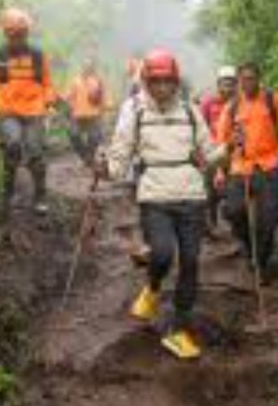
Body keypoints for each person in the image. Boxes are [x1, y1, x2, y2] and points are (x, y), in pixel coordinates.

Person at [96, 49, 226, 360]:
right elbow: (120, 156)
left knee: (192, 262)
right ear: (146, 81)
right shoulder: (136, 111)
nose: (163, 87)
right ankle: (153, 287)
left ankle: (177, 328)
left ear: (176, 81)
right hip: (154, 195)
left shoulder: (190, 111)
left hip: (192, 196)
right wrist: (105, 168)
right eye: (156, 81)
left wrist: (231, 147)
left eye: (168, 81)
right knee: (164, 253)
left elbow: (208, 156)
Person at [216, 62, 278, 277]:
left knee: (268, 219)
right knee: (233, 211)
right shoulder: (231, 107)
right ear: (239, 81)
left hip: (269, 165)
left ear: (259, 79)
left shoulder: (272, 100)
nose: (247, 83)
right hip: (240, 166)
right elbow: (221, 143)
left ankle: (260, 261)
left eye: (251, 78)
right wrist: (221, 170)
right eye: (243, 79)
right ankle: (248, 247)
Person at [0, 7, 58, 214]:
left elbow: (47, 83)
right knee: (11, 145)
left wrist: (49, 106)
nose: (17, 38)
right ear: (6, 33)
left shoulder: (38, 55)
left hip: (35, 110)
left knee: (36, 152)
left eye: (21, 34)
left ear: (26, 33)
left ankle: (40, 196)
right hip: (7, 111)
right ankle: (8, 193)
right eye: (13, 34)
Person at [200, 66, 239, 230]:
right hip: (213, 152)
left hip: (235, 153)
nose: (227, 88)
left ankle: (234, 223)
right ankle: (212, 224)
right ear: (218, 84)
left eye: (231, 84)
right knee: (210, 192)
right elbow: (201, 126)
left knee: (233, 189)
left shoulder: (240, 103)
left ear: (236, 85)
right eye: (224, 84)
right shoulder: (209, 103)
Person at [66, 58, 112, 168]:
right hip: (77, 115)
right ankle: (85, 157)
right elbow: (68, 96)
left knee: (94, 138)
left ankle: (89, 158)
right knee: (73, 135)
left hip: (94, 115)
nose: (86, 68)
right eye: (84, 66)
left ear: (92, 68)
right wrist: (65, 103)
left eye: (89, 66)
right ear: (82, 67)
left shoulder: (98, 81)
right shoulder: (75, 81)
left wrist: (107, 105)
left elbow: (105, 96)